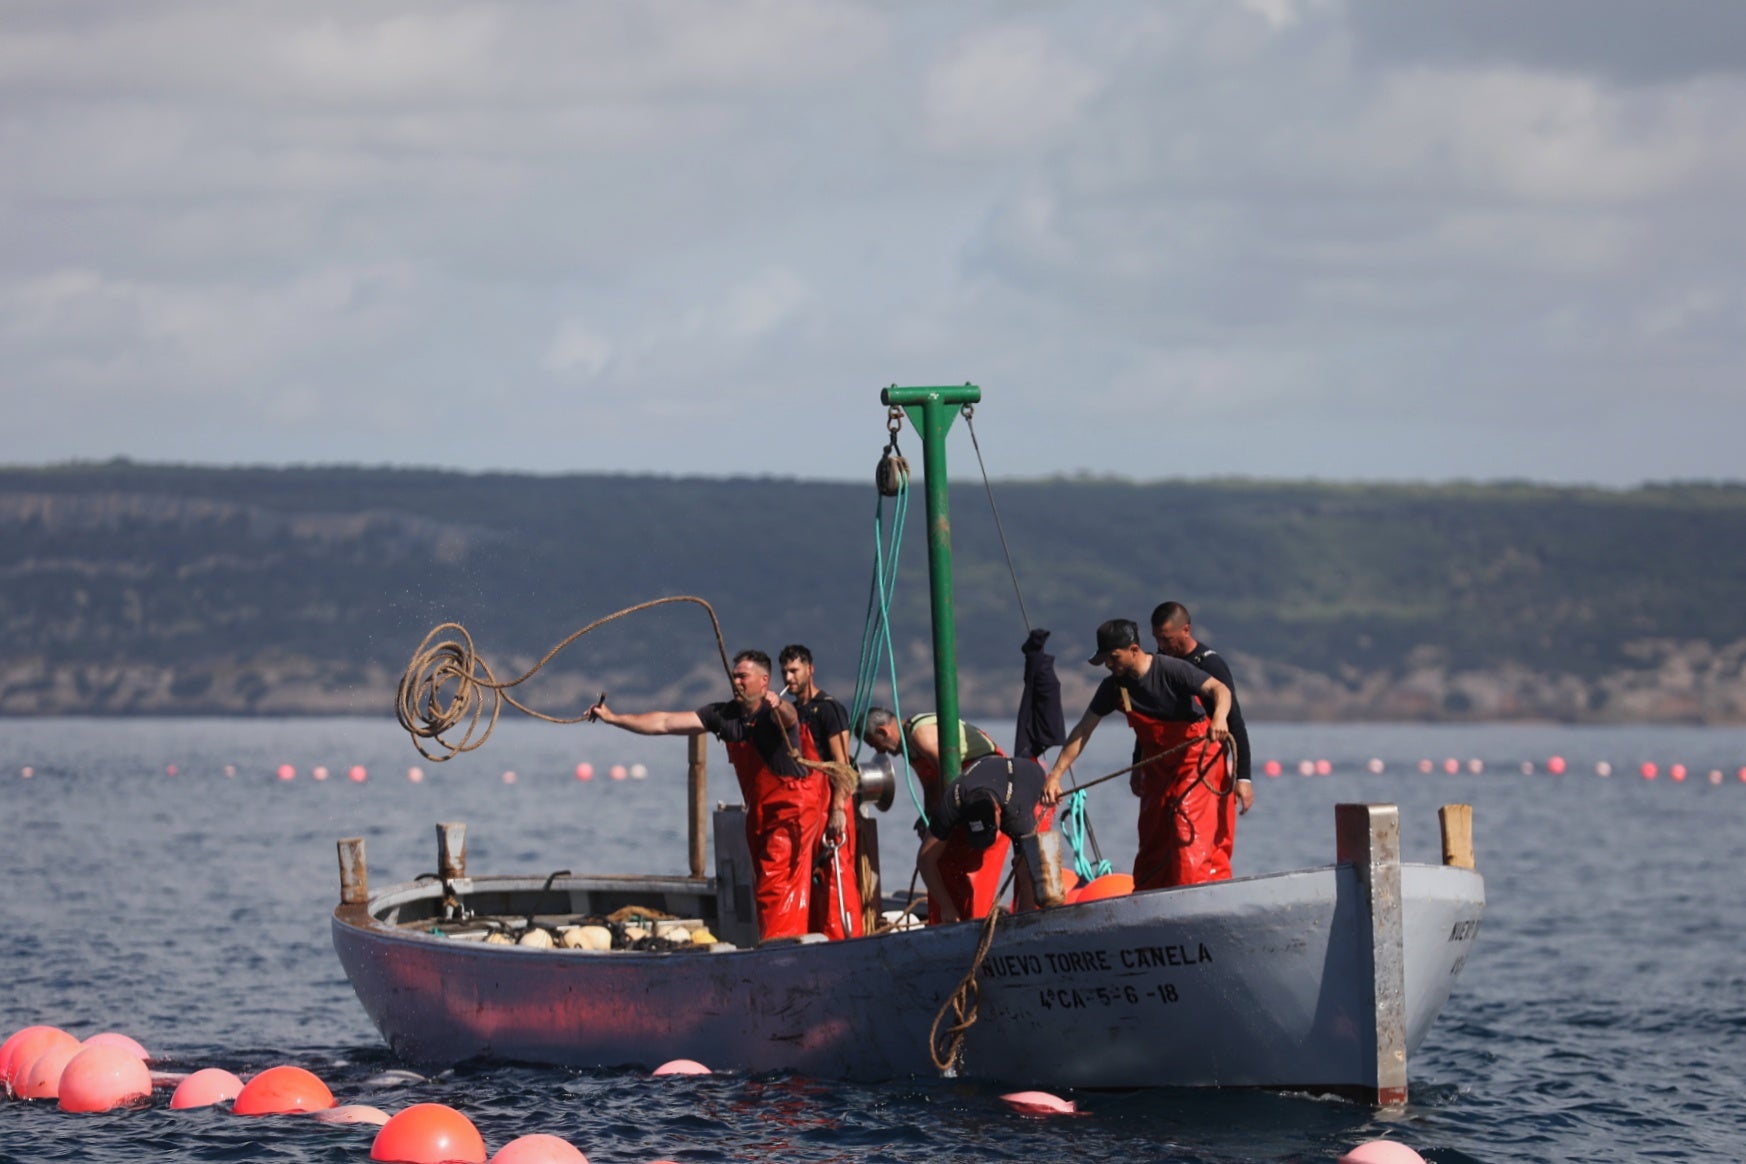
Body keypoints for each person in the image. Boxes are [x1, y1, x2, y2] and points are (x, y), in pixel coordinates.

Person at [587, 649, 840, 942]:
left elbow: (791, 717)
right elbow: (665, 722)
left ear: (764, 680)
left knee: (776, 886)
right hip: (759, 812)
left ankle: (780, 953)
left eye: (743, 676)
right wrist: (614, 718)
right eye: (733, 676)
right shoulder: (723, 715)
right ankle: (780, 944)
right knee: (764, 886)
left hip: (792, 811)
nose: (736, 682)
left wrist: (778, 704)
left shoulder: (775, 714)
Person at [1043, 619, 1237, 890]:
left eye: (1113, 658)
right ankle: (1148, 900)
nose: (1110, 665)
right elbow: (1082, 731)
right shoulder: (1113, 688)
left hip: (1196, 756)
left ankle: (1194, 894)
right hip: (1157, 763)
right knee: (1152, 837)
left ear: (1133, 650)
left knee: (1185, 825)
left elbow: (1220, 690)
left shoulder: (1171, 670)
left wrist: (1219, 718)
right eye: (1105, 660)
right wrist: (1055, 775)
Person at [862, 707, 1010, 923]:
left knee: (964, 867)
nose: (881, 753)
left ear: (883, 731)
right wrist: (928, 816)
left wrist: (944, 818)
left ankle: (972, 921)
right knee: (938, 863)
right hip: (959, 800)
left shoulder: (918, 734)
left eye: (877, 745)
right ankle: (947, 919)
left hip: (987, 795)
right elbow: (931, 785)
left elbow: (948, 770)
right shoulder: (909, 749)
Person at [778, 644, 862, 939]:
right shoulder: (790, 712)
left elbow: (842, 765)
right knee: (808, 876)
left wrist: (838, 808)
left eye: (794, 670)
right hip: (805, 804)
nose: (789, 677)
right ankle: (811, 937)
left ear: (810, 670)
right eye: (785, 671)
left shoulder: (828, 709)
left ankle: (845, 940)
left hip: (831, 801)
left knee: (836, 876)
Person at [919, 754, 1065, 923]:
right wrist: (947, 907)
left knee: (1039, 880)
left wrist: (1023, 926)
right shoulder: (954, 799)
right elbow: (925, 859)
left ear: (998, 812)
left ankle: (1033, 919)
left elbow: (1027, 878)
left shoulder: (1018, 817)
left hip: (1034, 790)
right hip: (990, 780)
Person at [1150, 602, 1253, 817]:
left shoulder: (1211, 665)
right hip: (1165, 767)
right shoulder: (1160, 662)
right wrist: (1137, 765)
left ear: (1186, 630)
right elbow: (1151, 719)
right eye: (1157, 638)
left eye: (1167, 639)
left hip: (1203, 767)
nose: (1161, 645)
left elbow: (1235, 722)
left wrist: (1243, 778)